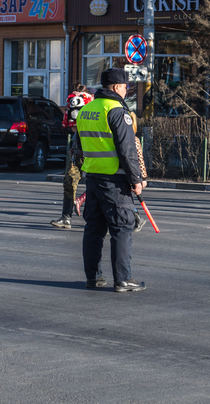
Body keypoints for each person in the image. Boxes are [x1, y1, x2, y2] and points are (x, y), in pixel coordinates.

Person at [76, 67, 145, 292]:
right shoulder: (116, 110)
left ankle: (92, 277)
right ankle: (123, 279)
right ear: (116, 87)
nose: (127, 92)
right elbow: (128, 150)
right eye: (126, 87)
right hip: (115, 180)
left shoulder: (86, 110)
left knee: (94, 228)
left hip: (93, 178)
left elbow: (76, 147)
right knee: (122, 228)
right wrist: (136, 179)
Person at [50, 85, 93, 229]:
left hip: (94, 153)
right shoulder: (77, 107)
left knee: (99, 184)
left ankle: (133, 216)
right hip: (78, 152)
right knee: (69, 180)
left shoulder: (93, 105)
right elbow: (74, 128)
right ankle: (66, 217)